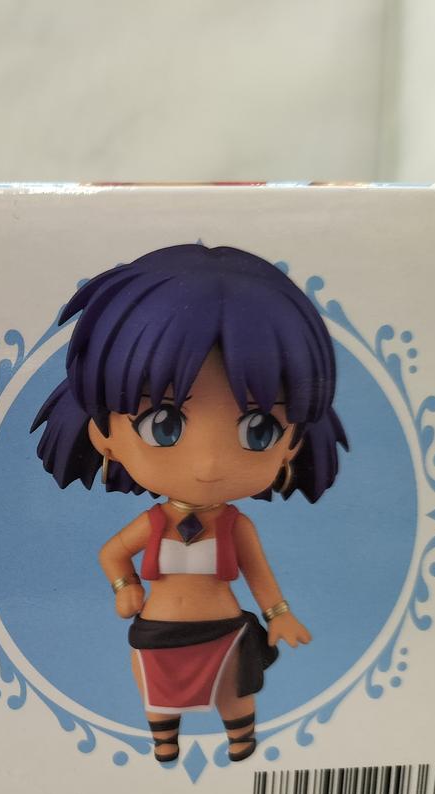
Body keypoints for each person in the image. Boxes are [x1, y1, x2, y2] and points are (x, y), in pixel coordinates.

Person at [31, 244, 347, 763]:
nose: (207, 465)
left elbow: (259, 574)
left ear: (292, 443)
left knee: (234, 692)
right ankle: (164, 743)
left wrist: (278, 614)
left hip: (223, 629)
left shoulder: (236, 526)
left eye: (260, 429)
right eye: (164, 425)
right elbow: (112, 553)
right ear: (104, 435)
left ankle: (241, 741)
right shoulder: (153, 522)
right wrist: (125, 587)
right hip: (158, 630)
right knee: (159, 696)